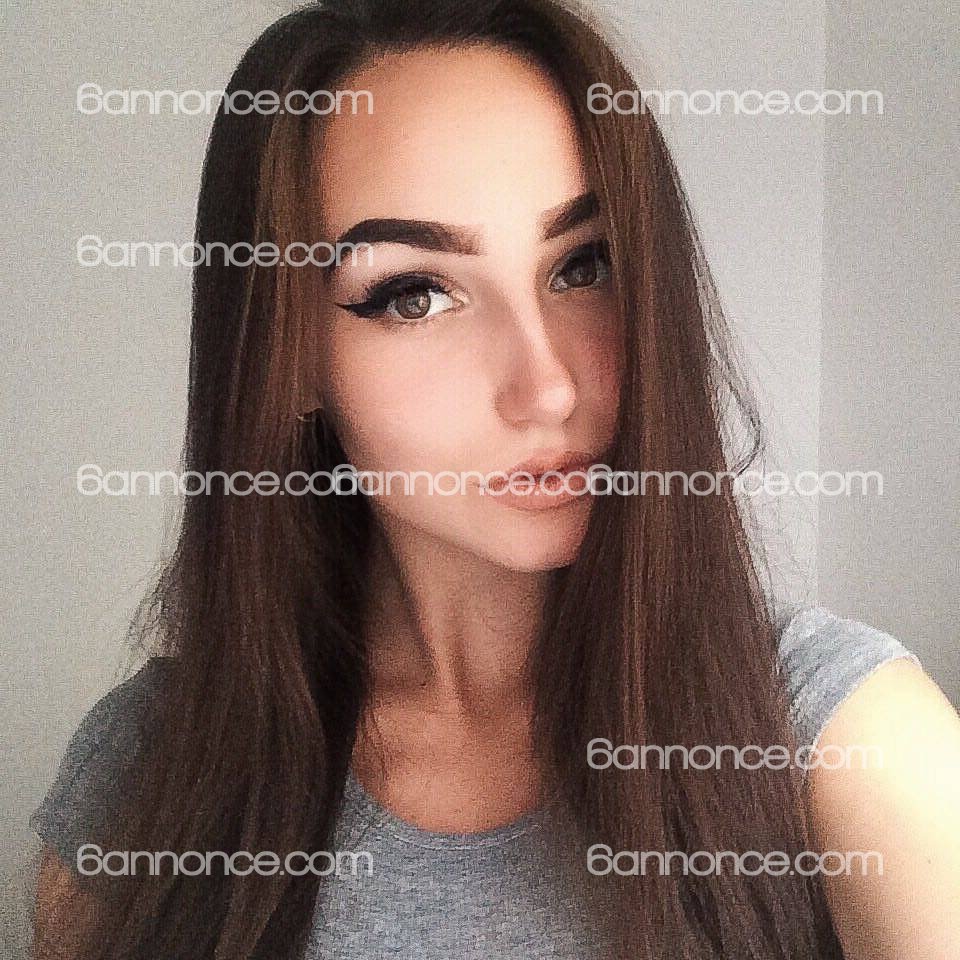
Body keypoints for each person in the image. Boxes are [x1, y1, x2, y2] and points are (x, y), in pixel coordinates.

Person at [31, 1, 960, 958]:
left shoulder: (850, 743)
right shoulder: (144, 787)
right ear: (287, 354)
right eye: (415, 294)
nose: (547, 386)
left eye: (583, 266)